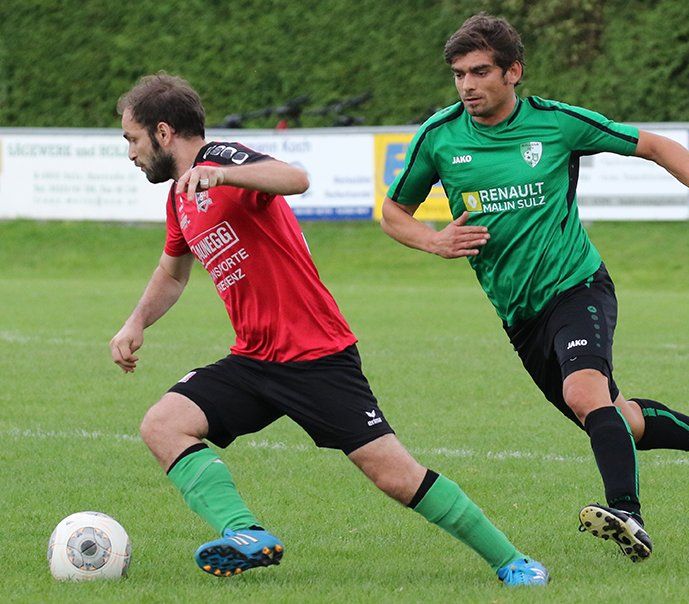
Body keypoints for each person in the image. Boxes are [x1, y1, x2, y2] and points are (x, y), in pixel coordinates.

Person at [109, 72, 548, 587]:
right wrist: (136, 322)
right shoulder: (178, 199)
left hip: (316, 356)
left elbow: (296, 179)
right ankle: (245, 533)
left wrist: (223, 176)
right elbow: (172, 272)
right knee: (163, 425)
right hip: (255, 359)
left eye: (133, 139)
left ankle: (513, 561)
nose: (131, 153)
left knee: (395, 475)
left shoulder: (222, 159)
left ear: (163, 133)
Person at [380, 14, 689, 563]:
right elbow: (393, 211)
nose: (467, 86)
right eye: (459, 74)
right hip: (519, 313)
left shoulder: (556, 123)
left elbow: (655, 145)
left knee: (584, 394)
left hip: (577, 285)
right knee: (616, 417)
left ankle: (627, 513)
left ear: (513, 72)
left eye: (480, 72)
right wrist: (433, 241)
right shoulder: (440, 136)